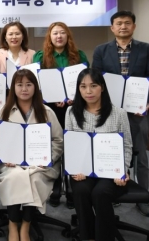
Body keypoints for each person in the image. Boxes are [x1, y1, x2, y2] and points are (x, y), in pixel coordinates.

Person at [92, 10, 149, 217]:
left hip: (139, 111)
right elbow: (96, 79)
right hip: (110, 110)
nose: (123, 26)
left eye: (127, 23)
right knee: (110, 150)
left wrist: (146, 102)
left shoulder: (147, 49)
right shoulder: (101, 50)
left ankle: (143, 197)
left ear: (134, 27)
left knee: (140, 154)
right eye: (119, 23)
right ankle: (110, 193)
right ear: (112, 28)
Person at [0, 69, 63, 241]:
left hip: (41, 166)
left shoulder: (47, 112)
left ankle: (26, 226)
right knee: (15, 177)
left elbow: (58, 141)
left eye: (29, 84)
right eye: (19, 85)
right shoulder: (4, 111)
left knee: (33, 178)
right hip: (11, 164)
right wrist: (4, 155)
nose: (24, 89)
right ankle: (13, 224)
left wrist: (48, 158)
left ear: (35, 87)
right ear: (13, 88)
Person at [65, 68, 132, 241]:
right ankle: (87, 237)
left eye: (93, 86)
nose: (88, 91)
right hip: (83, 171)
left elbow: (127, 146)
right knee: (81, 191)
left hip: (110, 171)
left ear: (102, 87)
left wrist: (122, 170)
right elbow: (70, 145)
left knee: (100, 193)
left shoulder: (119, 113)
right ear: (78, 89)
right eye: (83, 86)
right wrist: (74, 168)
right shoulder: (71, 112)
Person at [32, 22, 88, 208]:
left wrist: (75, 97)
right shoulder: (40, 56)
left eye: (62, 33)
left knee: (73, 145)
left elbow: (86, 81)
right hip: (50, 108)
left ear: (68, 36)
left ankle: (72, 187)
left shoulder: (79, 55)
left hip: (74, 108)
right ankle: (55, 185)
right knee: (53, 144)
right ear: (49, 36)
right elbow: (36, 83)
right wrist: (52, 97)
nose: (59, 36)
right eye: (55, 33)